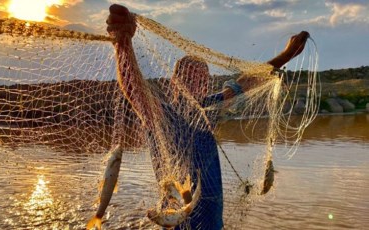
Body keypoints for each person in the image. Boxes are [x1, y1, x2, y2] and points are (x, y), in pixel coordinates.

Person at [106, 4, 309, 229]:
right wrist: (122, 43)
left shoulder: (208, 110)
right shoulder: (161, 114)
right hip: (179, 219)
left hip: (213, 221)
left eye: (203, 79)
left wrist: (286, 55)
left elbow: (246, 82)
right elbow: (133, 87)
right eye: (189, 77)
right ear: (175, 84)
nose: (197, 83)